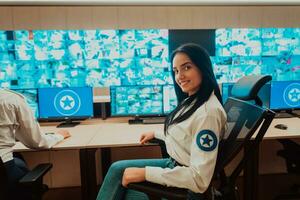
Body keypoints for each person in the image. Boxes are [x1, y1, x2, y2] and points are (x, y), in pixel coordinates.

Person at [96, 43, 227, 200]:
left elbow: (199, 179)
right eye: (176, 71)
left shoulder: (208, 114)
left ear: (203, 67)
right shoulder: (194, 99)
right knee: (117, 169)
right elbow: (187, 136)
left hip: (186, 185)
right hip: (175, 166)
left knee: (122, 182)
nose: (179, 76)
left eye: (187, 67)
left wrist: (146, 173)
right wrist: (158, 134)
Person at [0, 88, 71, 199]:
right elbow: (37, 142)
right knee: (19, 163)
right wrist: (59, 136)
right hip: (4, 174)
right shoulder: (10, 99)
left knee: (18, 158)